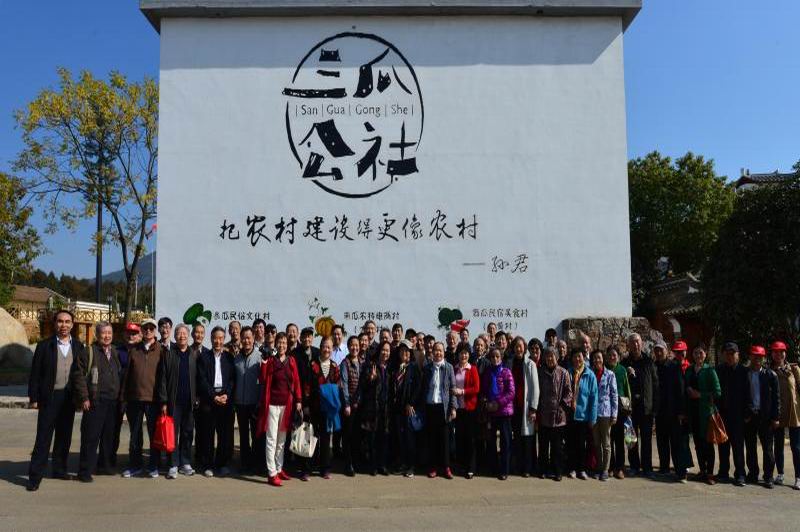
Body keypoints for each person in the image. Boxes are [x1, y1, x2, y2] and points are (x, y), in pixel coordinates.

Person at [27, 310, 85, 490]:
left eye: (67, 322)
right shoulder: (45, 346)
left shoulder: (79, 346)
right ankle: (34, 477)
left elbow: (83, 373)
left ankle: (59, 469)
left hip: (69, 398)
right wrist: (34, 398)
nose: (63, 325)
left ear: (72, 325)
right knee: (43, 438)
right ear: (55, 324)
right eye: (60, 321)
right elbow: (35, 374)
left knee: (64, 437)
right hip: (50, 397)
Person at [70, 321, 120, 483]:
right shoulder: (88, 351)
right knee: (90, 437)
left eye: (109, 333)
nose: (107, 336)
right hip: (94, 401)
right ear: (97, 335)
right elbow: (78, 376)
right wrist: (84, 397)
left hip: (112, 401)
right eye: (104, 333)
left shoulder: (114, 351)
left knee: (108, 437)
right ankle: (84, 471)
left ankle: (104, 466)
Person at [256, 332, 302, 487]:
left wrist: (299, 400)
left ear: (287, 345)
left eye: (284, 343)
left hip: (287, 405)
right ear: (275, 344)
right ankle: (271, 473)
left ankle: (279, 467)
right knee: (271, 439)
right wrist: (264, 361)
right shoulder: (270, 360)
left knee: (282, 440)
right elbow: (262, 378)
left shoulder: (292, 361)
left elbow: (296, 381)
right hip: (272, 405)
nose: (282, 345)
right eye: (279, 342)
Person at [121, 318, 163, 479]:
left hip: (154, 400)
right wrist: (124, 397)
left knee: (154, 435)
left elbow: (164, 377)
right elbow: (127, 376)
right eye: (145, 328)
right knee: (135, 434)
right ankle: (135, 465)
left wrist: (163, 401)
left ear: (155, 330)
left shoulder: (161, 350)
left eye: (151, 328)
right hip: (135, 399)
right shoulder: (134, 350)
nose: (148, 331)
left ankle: (153, 465)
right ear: (142, 331)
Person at [157, 323, 199, 479]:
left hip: (190, 402)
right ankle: (173, 464)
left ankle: (185, 462)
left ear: (189, 336)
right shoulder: (169, 354)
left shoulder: (194, 355)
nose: (182, 336)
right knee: (172, 434)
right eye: (179, 333)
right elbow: (162, 379)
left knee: (188, 432)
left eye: (184, 333)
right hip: (173, 402)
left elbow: (198, 378)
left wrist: (197, 398)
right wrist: (164, 401)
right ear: (175, 336)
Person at [196, 326, 235, 477]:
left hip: (225, 400)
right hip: (209, 400)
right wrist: (213, 396)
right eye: (215, 338)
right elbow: (202, 380)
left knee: (224, 435)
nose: (218, 341)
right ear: (211, 339)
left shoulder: (229, 357)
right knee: (208, 434)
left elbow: (232, 380)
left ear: (224, 339)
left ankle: (222, 464)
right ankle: (208, 465)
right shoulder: (203, 357)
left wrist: (226, 395)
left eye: (220, 338)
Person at [623, 333, 659, 477]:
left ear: (641, 343)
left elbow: (655, 385)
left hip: (646, 407)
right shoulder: (625, 363)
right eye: (632, 342)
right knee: (631, 439)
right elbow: (621, 386)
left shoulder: (649, 362)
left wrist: (655, 407)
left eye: (637, 342)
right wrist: (626, 374)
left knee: (646, 440)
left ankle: (647, 468)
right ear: (629, 345)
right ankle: (634, 466)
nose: (635, 345)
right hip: (630, 408)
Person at [745, 345, 780, 488]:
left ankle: (768, 476)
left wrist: (775, 418)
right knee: (750, 447)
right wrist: (746, 414)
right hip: (750, 415)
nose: (757, 359)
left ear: (764, 358)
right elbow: (741, 396)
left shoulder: (771, 375)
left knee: (768, 448)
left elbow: (776, 398)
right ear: (750, 357)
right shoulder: (745, 374)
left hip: (765, 416)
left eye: (760, 356)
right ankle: (753, 473)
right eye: (754, 356)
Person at [685, 346, 721, 485]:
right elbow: (686, 385)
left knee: (708, 444)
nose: (698, 355)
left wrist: (701, 395)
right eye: (695, 352)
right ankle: (702, 471)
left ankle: (710, 474)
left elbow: (717, 392)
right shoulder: (689, 370)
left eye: (701, 352)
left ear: (705, 354)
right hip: (693, 412)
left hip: (706, 413)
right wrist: (688, 389)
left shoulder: (710, 370)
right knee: (698, 444)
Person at [716, 341, 749, 486]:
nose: (730, 356)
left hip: (738, 416)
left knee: (738, 447)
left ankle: (740, 474)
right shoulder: (719, 370)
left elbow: (748, 393)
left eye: (732, 354)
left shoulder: (744, 371)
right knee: (723, 445)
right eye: (727, 354)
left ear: (738, 355)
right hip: (723, 414)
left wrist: (747, 413)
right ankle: (723, 472)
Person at [422, 341, 458, 479]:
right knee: (432, 439)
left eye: (440, 350)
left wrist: (453, 407)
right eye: (436, 350)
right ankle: (433, 467)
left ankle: (446, 467)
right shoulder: (427, 368)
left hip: (444, 408)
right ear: (432, 352)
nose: (438, 353)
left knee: (445, 440)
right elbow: (424, 387)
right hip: (430, 406)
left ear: (444, 353)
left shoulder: (448, 367)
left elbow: (453, 389)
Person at [655, 340, 689, 481]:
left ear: (667, 351)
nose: (658, 353)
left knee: (676, 443)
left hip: (674, 411)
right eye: (656, 351)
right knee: (662, 441)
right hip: (659, 411)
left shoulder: (674, 366)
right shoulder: (654, 366)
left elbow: (681, 390)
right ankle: (664, 468)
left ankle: (680, 471)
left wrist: (681, 411)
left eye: (661, 350)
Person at [308, 336, 342, 478]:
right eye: (324, 346)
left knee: (326, 438)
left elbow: (338, 385)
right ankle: (310, 467)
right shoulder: (313, 364)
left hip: (328, 409)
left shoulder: (335, 366)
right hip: (314, 406)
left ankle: (325, 468)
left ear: (332, 349)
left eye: (329, 347)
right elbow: (307, 386)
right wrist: (306, 405)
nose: (326, 349)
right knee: (313, 437)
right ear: (320, 347)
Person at [537, 347, 572, 481]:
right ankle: (543, 470)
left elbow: (569, 393)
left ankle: (558, 471)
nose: (550, 359)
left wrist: (561, 406)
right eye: (547, 356)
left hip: (558, 416)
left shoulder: (563, 372)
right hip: (544, 414)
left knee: (557, 447)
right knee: (543, 446)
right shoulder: (540, 372)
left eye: (552, 356)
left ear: (557, 357)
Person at [507, 336, 539, 477]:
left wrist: (533, 408)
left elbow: (535, 388)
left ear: (524, 348)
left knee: (528, 439)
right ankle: (517, 466)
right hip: (512, 407)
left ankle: (528, 468)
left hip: (526, 406)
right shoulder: (510, 363)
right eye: (516, 346)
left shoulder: (530, 364)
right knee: (517, 439)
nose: (518, 349)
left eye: (520, 346)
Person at [770, 341, 800, 490]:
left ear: (785, 353)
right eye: (775, 352)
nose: (779, 354)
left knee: (796, 447)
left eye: (781, 351)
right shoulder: (769, 371)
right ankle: (780, 474)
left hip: (794, 413)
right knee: (778, 445)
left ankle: (798, 477)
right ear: (772, 354)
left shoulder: (794, 369)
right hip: (778, 413)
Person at [482, 347, 515, 479]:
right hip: (491, 412)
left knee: (505, 442)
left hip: (504, 412)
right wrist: (486, 403)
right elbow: (484, 390)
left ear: (501, 358)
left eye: (497, 356)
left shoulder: (506, 372)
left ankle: (504, 470)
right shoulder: (487, 372)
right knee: (491, 442)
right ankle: (493, 468)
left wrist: (498, 403)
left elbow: (511, 392)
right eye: (492, 357)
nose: (495, 359)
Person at [360, 340, 391, 476]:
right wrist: (370, 379)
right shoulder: (371, 366)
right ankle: (373, 466)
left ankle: (382, 465)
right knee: (372, 438)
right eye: (383, 350)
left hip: (385, 409)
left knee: (384, 438)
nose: (385, 353)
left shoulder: (389, 368)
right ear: (379, 351)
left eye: (387, 351)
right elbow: (363, 386)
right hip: (373, 408)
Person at [391, 340, 421, 477]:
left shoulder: (414, 367)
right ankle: (402, 463)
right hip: (397, 408)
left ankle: (411, 466)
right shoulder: (395, 367)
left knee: (410, 438)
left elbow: (418, 387)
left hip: (409, 408)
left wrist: (411, 403)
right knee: (400, 438)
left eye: (407, 351)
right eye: (402, 350)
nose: (405, 353)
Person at [110, 322, 139, 468]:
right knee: (113, 429)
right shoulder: (115, 350)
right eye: (128, 333)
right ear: (123, 334)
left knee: (136, 431)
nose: (131, 336)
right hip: (117, 396)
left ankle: (135, 460)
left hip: (135, 397)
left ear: (139, 335)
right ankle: (110, 458)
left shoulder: (141, 351)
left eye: (134, 333)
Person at [233, 326, 261, 473]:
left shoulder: (260, 358)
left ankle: (256, 463)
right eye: (244, 338)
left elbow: (264, 382)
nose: (246, 341)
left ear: (253, 339)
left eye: (249, 338)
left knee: (256, 435)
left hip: (255, 403)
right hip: (240, 403)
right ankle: (244, 463)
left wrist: (260, 401)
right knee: (243, 435)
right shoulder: (236, 359)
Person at [293, 327, 320, 480]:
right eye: (305, 337)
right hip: (301, 400)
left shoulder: (317, 353)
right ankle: (303, 468)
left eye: (310, 337)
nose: (307, 339)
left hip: (316, 401)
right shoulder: (295, 354)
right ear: (301, 338)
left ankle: (313, 464)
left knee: (314, 433)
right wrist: (300, 402)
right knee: (302, 434)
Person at [568, 348, 598, 480]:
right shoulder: (568, 372)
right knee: (571, 444)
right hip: (570, 415)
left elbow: (593, 398)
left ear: (583, 358)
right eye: (575, 356)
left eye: (579, 356)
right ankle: (572, 468)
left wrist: (592, 418)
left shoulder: (590, 375)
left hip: (583, 415)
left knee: (582, 444)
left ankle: (582, 469)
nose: (577, 359)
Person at [453, 342, 480, 478]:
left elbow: (476, 388)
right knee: (460, 439)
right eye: (461, 353)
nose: (463, 355)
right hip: (458, 410)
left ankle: (471, 467)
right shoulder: (454, 368)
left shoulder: (472, 369)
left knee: (470, 439)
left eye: (466, 353)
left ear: (469, 355)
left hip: (470, 409)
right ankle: (461, 466)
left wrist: (462, 391)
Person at [591, 350, 617, 481]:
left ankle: (605, 470)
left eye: (599, 358)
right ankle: (599, 468)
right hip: (593, 413)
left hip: (606, 413)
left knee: (606, 443)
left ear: (603, 359)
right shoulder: (590, 374)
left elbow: (614, 395)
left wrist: (614, 414)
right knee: (596, 443)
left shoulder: (610, 374)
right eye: (595, 358)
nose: (597, 360)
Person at [605, 346, 630, 479]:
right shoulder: (604, 369)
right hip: (606, 409)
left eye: (614, 355)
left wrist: (629, 408)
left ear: (618, 357)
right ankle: (610, 466)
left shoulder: (622, 370)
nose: (612, 357)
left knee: (619, 440)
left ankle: (620, 468)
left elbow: (627, 389)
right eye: (610, 355)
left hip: (620, 409)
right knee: (609, 439)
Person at [340, 335, 362, 476]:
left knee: (357, 435)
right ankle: (348, 465)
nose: (355, 348)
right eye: (352, 345)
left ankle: (356, 462)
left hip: (360, 404)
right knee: (348, 435)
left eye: (357, 345)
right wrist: (347, 404)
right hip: (349, 406)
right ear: (348, 347)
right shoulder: (345, 363)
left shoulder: (362, 362)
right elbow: (344, 384)